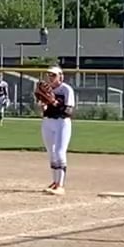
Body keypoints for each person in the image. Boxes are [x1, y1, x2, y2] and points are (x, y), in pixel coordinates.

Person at [36, 65, 76, 195]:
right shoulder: (46, 89)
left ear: (61, 77)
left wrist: (54, 102)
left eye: (54, 75)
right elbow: (43, 109)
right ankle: (55, 182)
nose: (50, 77)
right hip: (48, 122)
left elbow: (68, 110)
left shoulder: (66, 89)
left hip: (62, 123)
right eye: (49, 75)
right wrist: (43, 105)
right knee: (51, 153)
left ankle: (61, 185)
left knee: (59, 152)